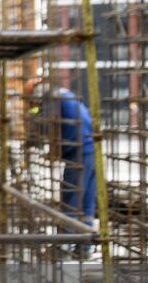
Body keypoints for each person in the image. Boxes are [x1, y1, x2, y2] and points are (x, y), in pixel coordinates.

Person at [27, 80, 98, 256]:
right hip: (91, 149)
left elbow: (44, 124)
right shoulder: (66, 95)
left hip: (78, 151)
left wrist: (33, 137)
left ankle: (64, 244)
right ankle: (84, 246)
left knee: (70, 197)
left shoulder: (53, 99)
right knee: (87, 200)